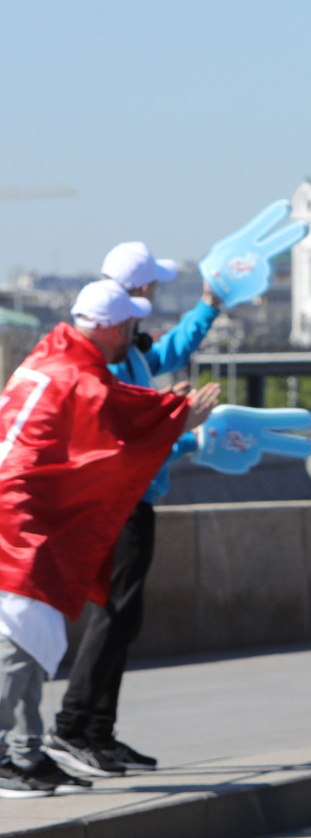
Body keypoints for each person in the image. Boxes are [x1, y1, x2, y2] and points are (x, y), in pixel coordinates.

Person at [0, 282, 221, 796]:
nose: (132, 336)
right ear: (107, 326)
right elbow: (113, 417)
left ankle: (25, 752)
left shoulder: (50, 357)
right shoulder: (74, 374)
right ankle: (9, 756)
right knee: (19, 640)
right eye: (127, 326)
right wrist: (176, 419)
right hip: (20, 521)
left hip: (24, 514)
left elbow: (113, 404)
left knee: (29, 637)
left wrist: (163, 411)